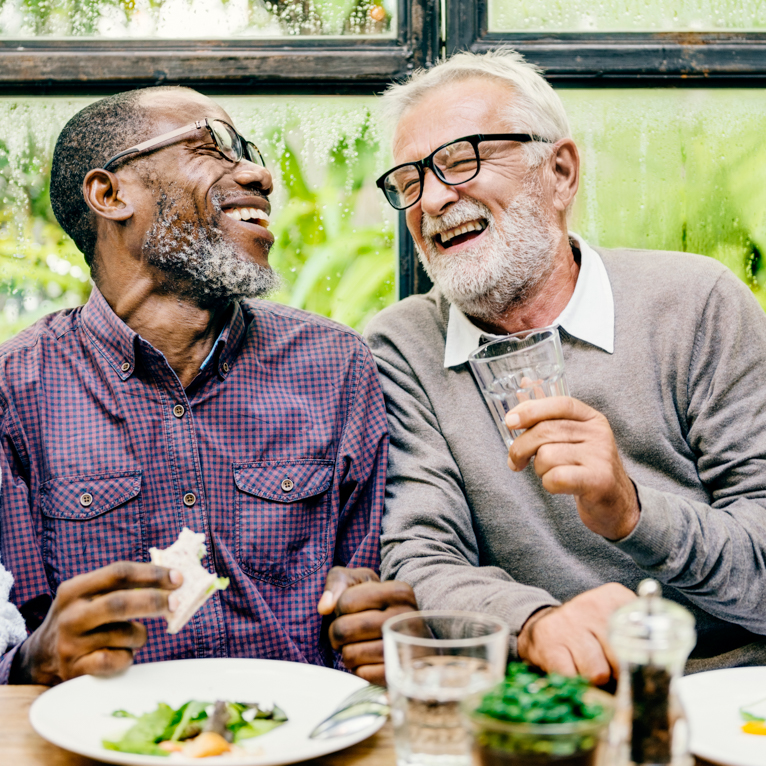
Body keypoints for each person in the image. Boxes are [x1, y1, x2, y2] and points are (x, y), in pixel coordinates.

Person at [364, 48, 766, 683]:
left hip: (724, 696)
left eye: (462, 159)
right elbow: (418, 556)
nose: (434, 199)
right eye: (410, 181)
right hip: (531, 704)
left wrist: (632, 512)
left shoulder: (697, 303)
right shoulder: (401, 345)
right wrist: (535, 623)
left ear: (560, 171)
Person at [0, 86, 416, 686]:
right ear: (110, 194)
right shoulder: (15, 393)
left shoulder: (335, 364)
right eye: (212, 147)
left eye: (246, 149)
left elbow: (373, 590)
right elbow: (16, 650)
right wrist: (34, 658)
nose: (261, 174)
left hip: (303, 739)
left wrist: (376, 623)